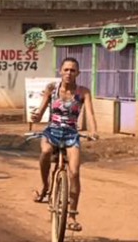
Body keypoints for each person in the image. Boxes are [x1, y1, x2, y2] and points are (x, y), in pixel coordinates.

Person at [30, 57, 98, 232]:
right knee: (46, 152)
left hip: (71, 134)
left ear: (78, 73)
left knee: (74, 172)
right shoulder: (52, 89)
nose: (69, 73)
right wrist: (36, 117)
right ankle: (45, 186)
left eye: (73, 70)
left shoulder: (83, 92)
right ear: (60, 71)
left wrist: (93, 130)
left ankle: (72, 215)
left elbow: (90, 113)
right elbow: (41, 111)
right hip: (51, 131)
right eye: (66, 69)